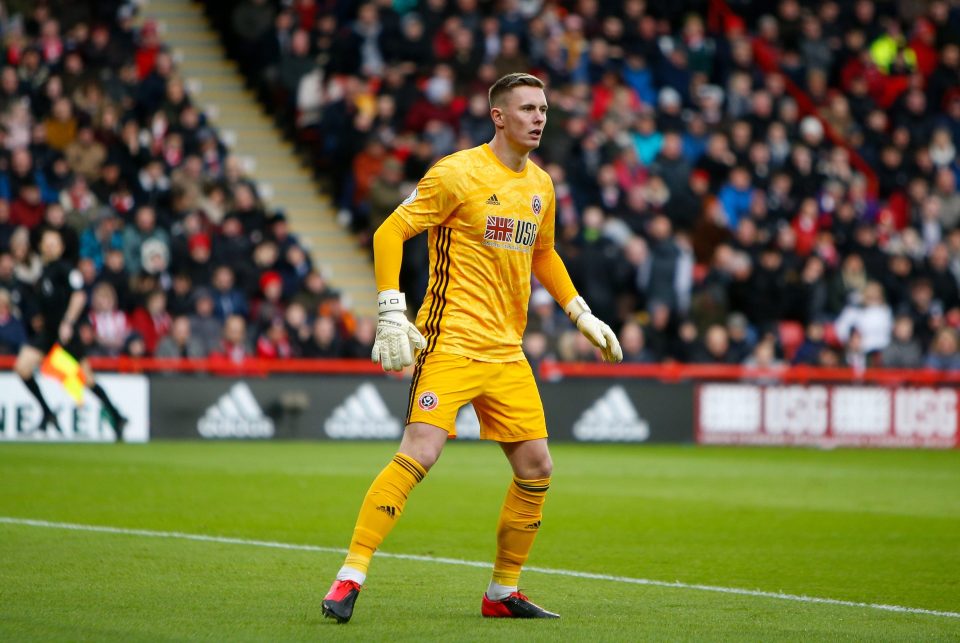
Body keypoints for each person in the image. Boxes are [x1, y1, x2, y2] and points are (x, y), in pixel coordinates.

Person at [321, 73, 623, 624]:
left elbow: (545, 254)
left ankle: (502, 593)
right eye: (528, 108)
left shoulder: (542, 186)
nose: (539, 118)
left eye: (545, 109)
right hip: (451, 340)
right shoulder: (456, 173)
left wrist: (580, 312)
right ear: (499, 116)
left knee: (536, 466)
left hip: (507, 351)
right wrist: (391, 309)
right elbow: (389, 233)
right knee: (421, 451)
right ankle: (350, 577)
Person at [13, 228, 127, 435]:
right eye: (47, 243)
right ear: (40, 247)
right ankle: (47, 413)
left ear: (61, 247)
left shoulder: (66, 269)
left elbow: (79, 296)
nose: (50, 246)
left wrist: (67, 322)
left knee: (86, 379)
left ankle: (117, 416)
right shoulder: (43, 272)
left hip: (66, 333)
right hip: (48, 333)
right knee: (23, 367)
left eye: (54, 243)